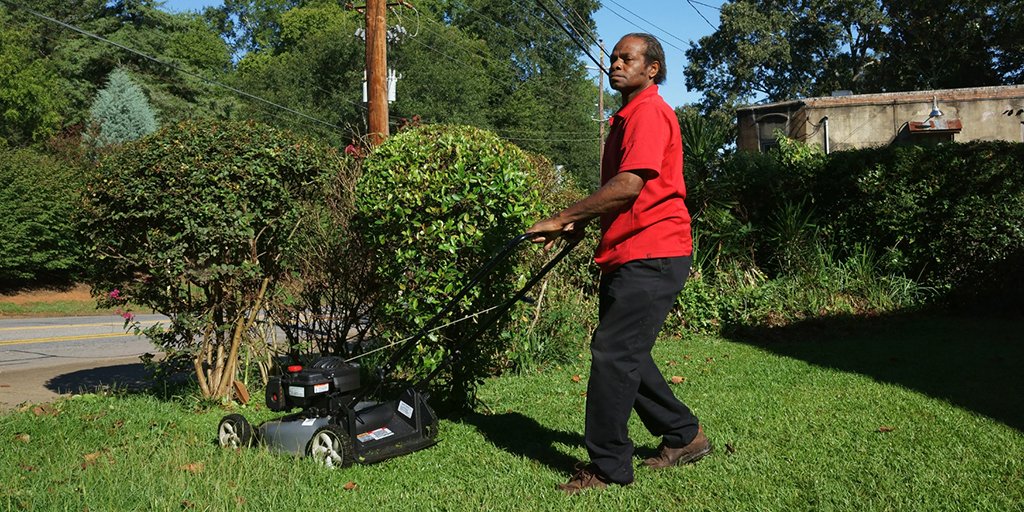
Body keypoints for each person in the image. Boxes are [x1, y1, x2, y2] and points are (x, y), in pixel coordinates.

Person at [527, 33, 711, 494]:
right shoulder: (627, 117)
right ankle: (685, 435)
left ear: (652, 68)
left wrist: (562, 217)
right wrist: (583, 224)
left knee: (612, 354)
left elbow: (630, 185)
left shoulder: (648, 112)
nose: (615, 64)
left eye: (627, 58)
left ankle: (608, 465)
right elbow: (625, 194)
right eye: (613, 57)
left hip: (653, 251)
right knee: (627, 352)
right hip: (633, 249)